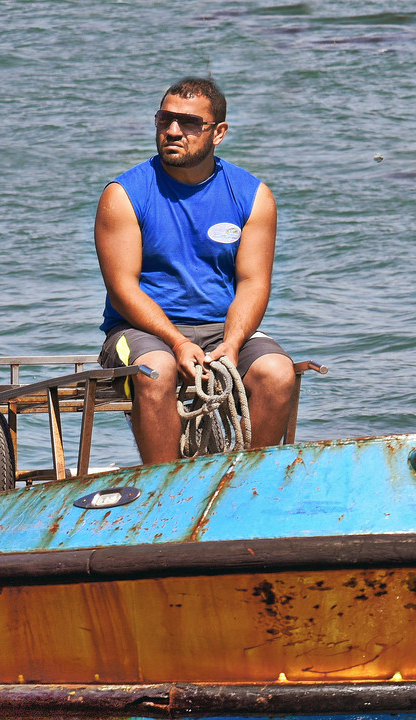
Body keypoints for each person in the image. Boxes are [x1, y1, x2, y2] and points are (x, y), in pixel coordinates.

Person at [94, 77, 296, 465]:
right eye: (164, 120)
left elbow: (253, 284)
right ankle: (165, 492)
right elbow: (122, 289)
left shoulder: (253, 196)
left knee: (277, 372)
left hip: (221, 330)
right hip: (139, 332)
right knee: (157, 368)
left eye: (188, 123)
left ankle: (246, 491)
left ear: (218, 132)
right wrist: (178, 342)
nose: (172, 131)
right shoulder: (123, 195)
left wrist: (233, 344)